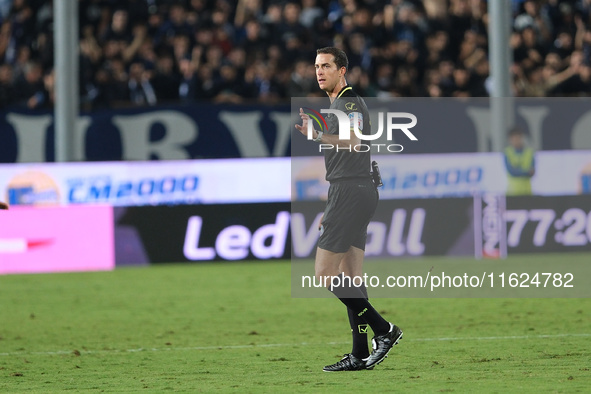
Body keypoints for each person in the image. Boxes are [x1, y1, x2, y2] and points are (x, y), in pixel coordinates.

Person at [295, 47, 402, 372]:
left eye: (326, 65)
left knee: (324, 274)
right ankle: (358, 353)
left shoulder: (349, 102)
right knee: (350, 278)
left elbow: (355, 142)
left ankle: (384, 330)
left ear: (342, 70)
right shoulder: (339, 104)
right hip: (355, 189)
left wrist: (318, 135)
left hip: (351, 190)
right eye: (316, 66)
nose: (319, 71)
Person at [504, 127, 535, 195]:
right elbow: (512, 171)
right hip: (512, 192)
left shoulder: (529, 152)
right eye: (514, 139)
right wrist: (526, 171)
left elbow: (532, 172)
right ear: (510, 140)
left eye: (518, 138)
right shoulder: (507, 153)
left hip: (527, 192)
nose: (516, 141)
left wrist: (518, 171)